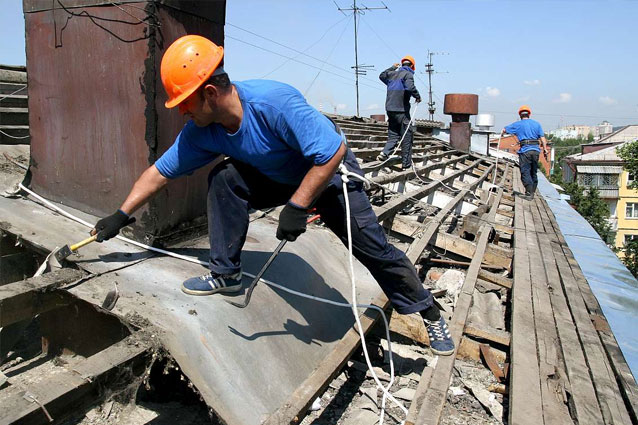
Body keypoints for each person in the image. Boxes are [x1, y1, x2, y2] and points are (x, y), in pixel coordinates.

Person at [90, 35, 454, 356]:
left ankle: (428, 311)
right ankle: (226, 274)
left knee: (373, 249)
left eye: (186, 102)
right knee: (225, 177)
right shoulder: (202, 131)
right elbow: (159, 173)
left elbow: (330, 154)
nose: (182, 111)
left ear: (211, 93)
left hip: (329, 176)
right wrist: (121, 215)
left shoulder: (273, 102)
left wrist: (298, 206)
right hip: (279, 177)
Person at [376, 55, 421, 170]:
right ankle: (406, 165)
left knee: (393, 134)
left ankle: (384, 154)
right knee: (407, 136)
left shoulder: (392, 74)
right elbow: (410, 87)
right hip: (401, 110)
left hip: (390, 110)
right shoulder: (408, 74)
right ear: (412, 66)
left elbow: (381, 75)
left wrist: (392, 67)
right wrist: (418, 96)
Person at [501, 105, 548, 199]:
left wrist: (503, 132)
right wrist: (545, 150)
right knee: (533, 171)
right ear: (529, 114)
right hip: (535, 150)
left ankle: (529, 193)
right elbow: (543, 138)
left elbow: (505, 130)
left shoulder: (518, 124)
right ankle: (532, 191)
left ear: (520, 115)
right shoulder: (537, 124)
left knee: (525, 171)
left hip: (525, 151)